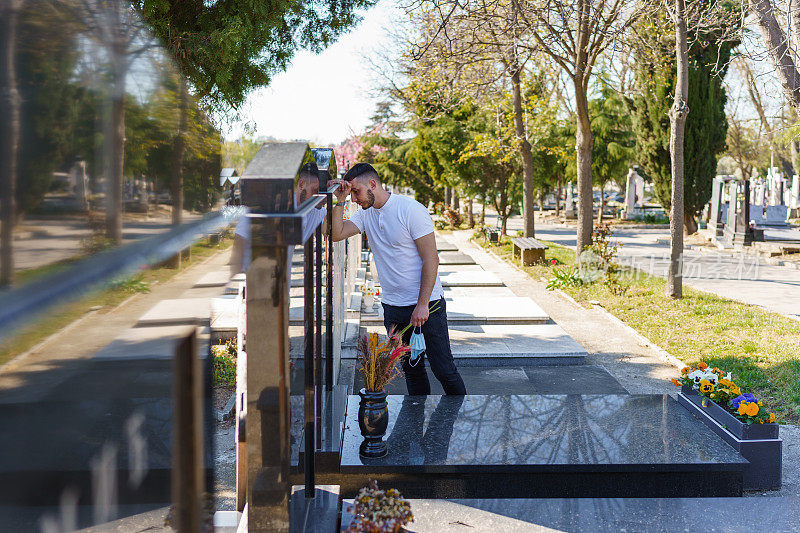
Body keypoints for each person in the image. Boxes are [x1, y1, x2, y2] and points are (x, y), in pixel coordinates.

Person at [330, 163, 466, 395]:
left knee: (443, 369)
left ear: (373, 184)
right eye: (350, 193)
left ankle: (455, 418)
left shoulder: (410, 209)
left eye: (356, 192)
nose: (354, 198)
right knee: (411, 371)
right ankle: (416, 424)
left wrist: (422, 304)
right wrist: (339, 200)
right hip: (393, 307)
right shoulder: (364, 214)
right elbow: (335, 234)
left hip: (426, 305)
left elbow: (431, 259)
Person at [230, 163, 325, 276]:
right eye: (316, 190)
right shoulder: (262, 206)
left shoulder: (307, 209)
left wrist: (339, 197)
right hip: (254, 281)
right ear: (301, 184)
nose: (320, 197)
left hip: (279, 285)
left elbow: (332, 230)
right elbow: (239, 244)